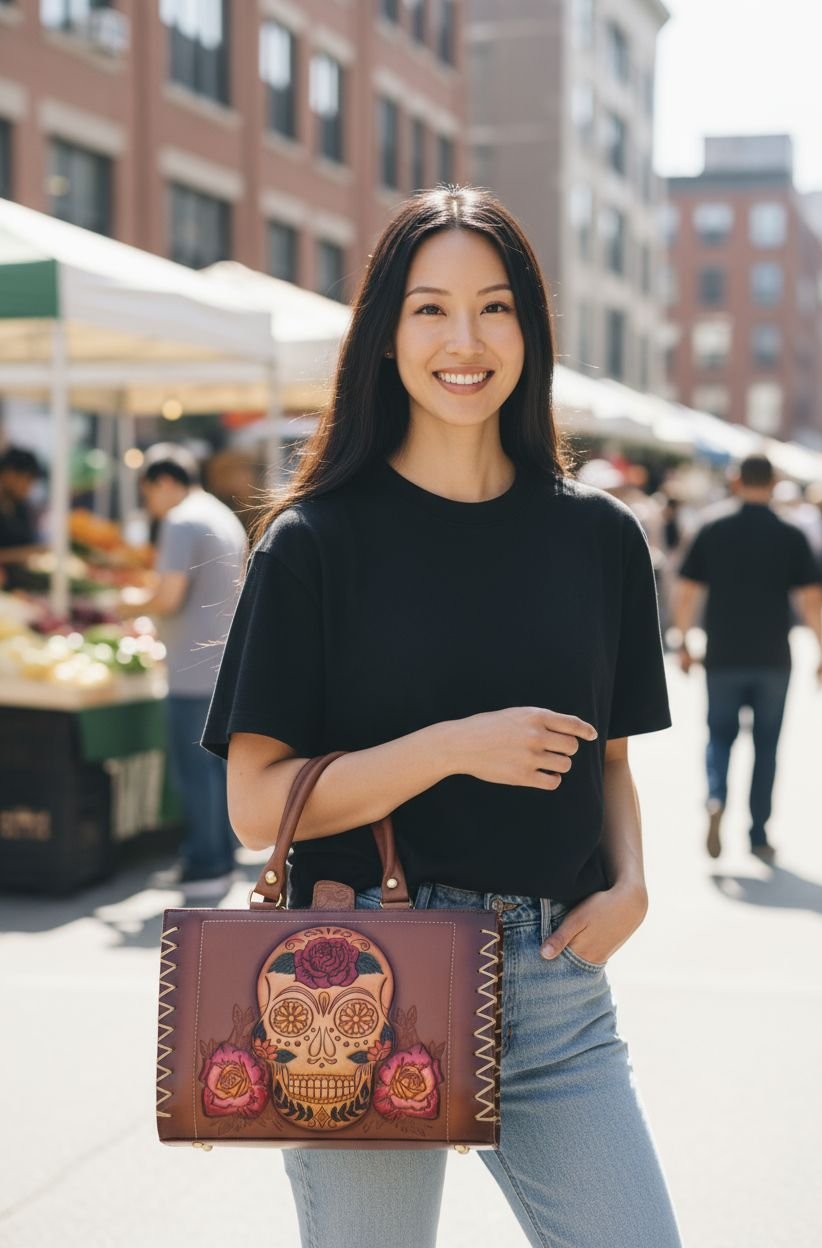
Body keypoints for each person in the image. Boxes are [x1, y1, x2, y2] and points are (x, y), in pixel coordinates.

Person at [202, 187, 682, 1248]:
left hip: (555, 985)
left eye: (495, 307)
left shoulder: (600, 538)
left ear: (530, 330)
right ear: (384, 335)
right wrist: (449, 750)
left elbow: (605, 761)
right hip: (355, 977)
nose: (464, 341)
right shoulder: (316, 543)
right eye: (429, 310)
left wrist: (636, 881)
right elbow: (252, 803)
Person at [673, 454, 822, 863]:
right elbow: (812, 599)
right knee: (767, 746)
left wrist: (685, 641)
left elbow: (687, 590)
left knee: (719, 735)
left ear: (736, 480)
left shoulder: (713, 527)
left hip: (723, 654)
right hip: (774, 658)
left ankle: (715, 796)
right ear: (775, 482)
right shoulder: (791, 534)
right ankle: (758, 834)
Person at [122, 443, 247, 892]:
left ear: (164, 482)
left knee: (195, 773)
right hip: (219, 664)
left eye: (147, 493)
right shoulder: (219, 514)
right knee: (213, 770)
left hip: (192, 668)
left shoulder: (181, 520)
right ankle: (219, 858)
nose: (148, 504)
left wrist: (127, 602)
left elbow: (168, 596)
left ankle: (206, 863)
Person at [0, 446, 47, 589]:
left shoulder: (22, 508)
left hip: (20, 588)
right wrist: (23, 554)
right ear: (8, 473)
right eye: (27, 479)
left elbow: (30, 543)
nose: (29, 487)